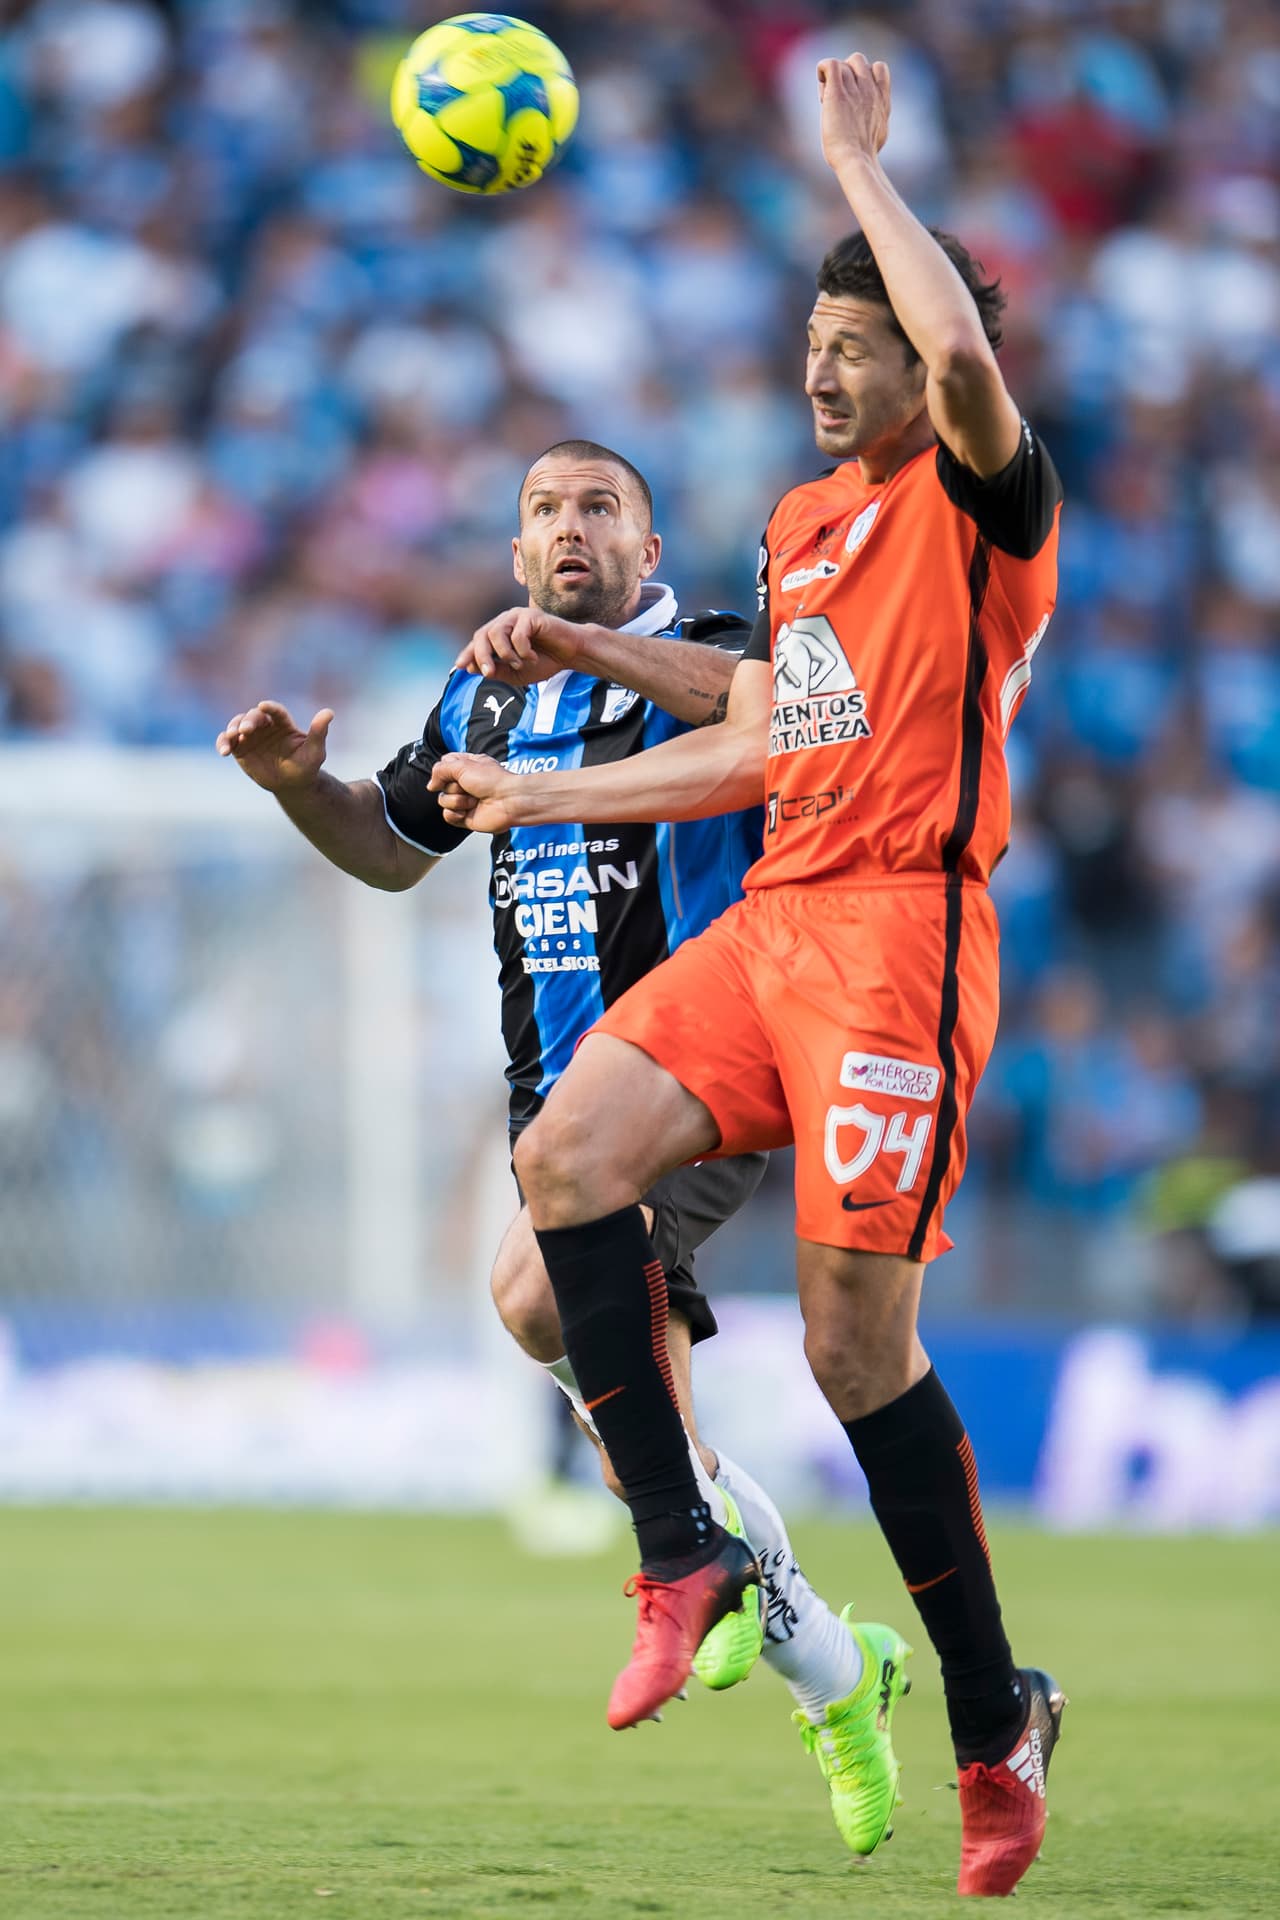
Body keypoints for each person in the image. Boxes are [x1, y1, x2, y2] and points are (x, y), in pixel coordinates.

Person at [429, 58, 1065, 1901]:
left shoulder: (979, 498)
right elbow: (769, 745)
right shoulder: (798, 530)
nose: (821, 371)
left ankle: (984, 1713)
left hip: (903, 944)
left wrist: (865, 174)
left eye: (848, 343)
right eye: (810, 346)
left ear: (915, 350)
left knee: (863, 1349)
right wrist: (555, 747)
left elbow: (960, 369)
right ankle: (680, 1551)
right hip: (777, 916)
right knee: (562, 1172)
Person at [216, 438, 910, 1858]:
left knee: (531, 1297)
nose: (571, 527)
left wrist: (586, 645)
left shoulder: (717, 648)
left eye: (601, 509)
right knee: (651, 1455)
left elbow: (779, 730)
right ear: (516, 551)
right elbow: (396, 849)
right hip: (554, 1110)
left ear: (649, 555)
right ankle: (841, 1674)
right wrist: (300, 785)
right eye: (544, 512)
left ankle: (729, 1583)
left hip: (695, 1077)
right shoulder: (482, 693)